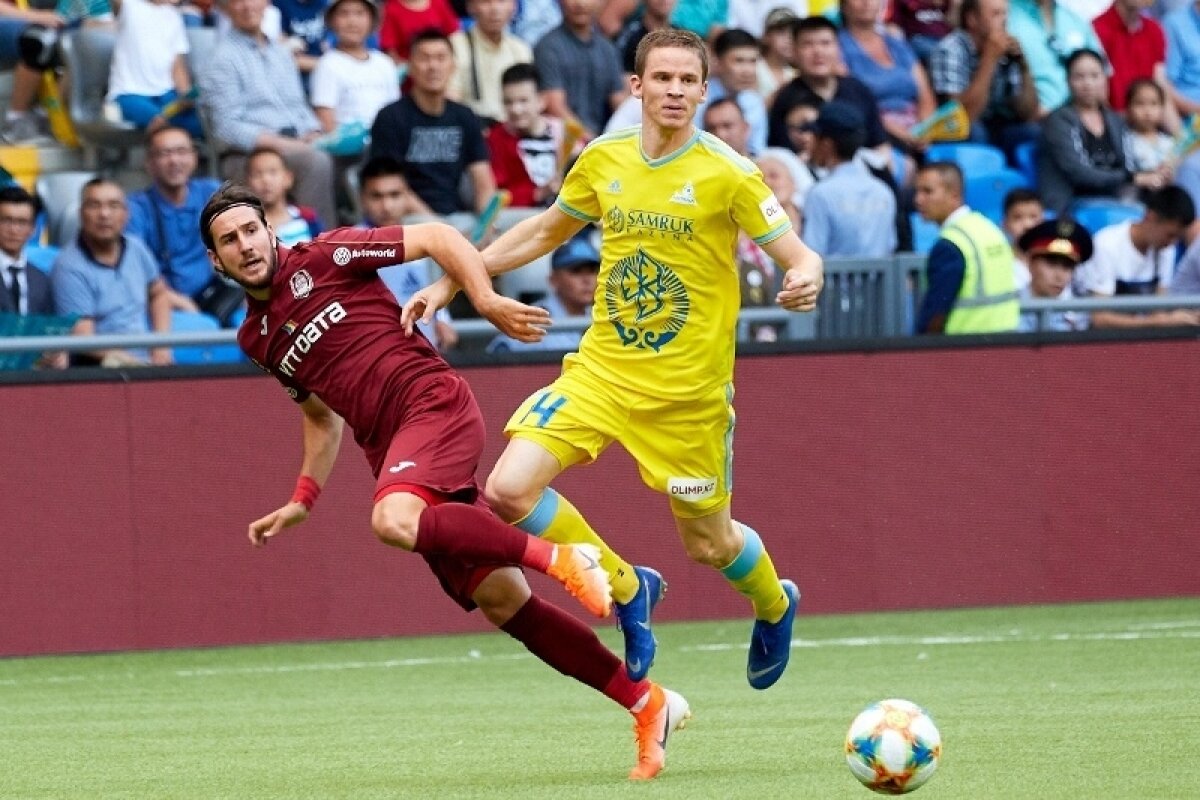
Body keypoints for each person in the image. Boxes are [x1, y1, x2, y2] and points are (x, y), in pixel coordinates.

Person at [200, 181, 689, 782]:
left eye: (251, 230)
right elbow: (319, 417)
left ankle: (566, 557)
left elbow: (436, 237)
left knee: (392, 521)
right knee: (502, 601)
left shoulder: (328, 255)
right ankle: (647, 704)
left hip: (432, 404)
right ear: (215, 259)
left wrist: (482, 297)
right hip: (395, 455)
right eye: (230, 239)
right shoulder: (257, 338)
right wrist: (303, 498)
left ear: (271, 231)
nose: (245, 245)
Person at [404, 28, 824, 692]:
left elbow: (798, 253)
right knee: (509, 490)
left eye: (689, 81)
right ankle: (629, 588)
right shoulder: (603, 159)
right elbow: (543, 231)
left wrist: (807, 275)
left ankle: (775, 604)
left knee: (710, 546)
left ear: (705, 90)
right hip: (603, 372)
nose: (675, 91)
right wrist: (455, 281)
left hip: (688, 399)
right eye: (663, 79)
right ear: (637, 87)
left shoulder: (730, 173)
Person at [199, 0, 338, 227]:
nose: (247, 6)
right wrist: (284, 144)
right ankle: (322, 246)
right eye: (238, 1)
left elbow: (298, 106)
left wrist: (313, 131)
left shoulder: (280, 53)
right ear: (226, 8)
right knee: (316, 162)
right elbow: (227, 128)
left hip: (295, 143)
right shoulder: (221, 59)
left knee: (339, 152)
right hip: (246, 154)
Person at [369, 29, 496, 220]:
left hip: (459, 217)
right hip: (410, 219)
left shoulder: (465, 116)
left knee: (527, 224)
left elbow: (483, 183)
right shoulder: (390, 117)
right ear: (410, 66)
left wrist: (486, 227)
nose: (433, 66)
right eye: (424, 58)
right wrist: (440, 231)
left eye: (441, 58)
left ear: (453, 66)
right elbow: (392, 187)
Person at [52, 178, 174, 366]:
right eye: (94, 205)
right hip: (101, 367)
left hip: (147, 360)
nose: (104, 214)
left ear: (126, 214)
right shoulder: (68, 266)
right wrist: (138, 365)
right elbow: (84, 339)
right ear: (81, 213)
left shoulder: (137, 248)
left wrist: (161, 346)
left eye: (113, 205)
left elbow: (158, 293)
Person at [1037, 49, 1166, 214]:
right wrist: (1132, 178)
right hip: (1072, 204)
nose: (1088, 83)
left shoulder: (1115, 120)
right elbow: (1080, 173)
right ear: (1068, 80)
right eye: (1079, 77)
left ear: (1104, 79)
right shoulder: (1059, 121)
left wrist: (1155, 174)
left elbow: (1128, 164)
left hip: (1116, 199)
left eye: (1094, 76)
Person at [355, 155, 455, 351]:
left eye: (394, 195)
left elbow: (436, 286)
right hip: (372, 356)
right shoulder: (348, 245)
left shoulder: (426, 239)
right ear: (362, 198)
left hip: (426, 355)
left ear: (407, 196)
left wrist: (443, 320)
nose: (387, 206)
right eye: (377, 196)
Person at [126, 126, 224, 315]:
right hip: (161, 302)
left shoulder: (211, 192)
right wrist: (176, 301)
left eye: (182, 152)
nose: (174, 161)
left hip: (214, 294)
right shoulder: (136, 208)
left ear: (194, 158)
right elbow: (133, 269)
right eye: (165, 154)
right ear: (149, 163)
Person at [914, 161, 1020, 334]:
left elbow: (935, 316)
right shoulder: (990, 229)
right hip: (1006, 344)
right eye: (917, 191)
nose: (918, 200)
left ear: (954, 195)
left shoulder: (951, 244)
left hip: (962, 349)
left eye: (928, 191)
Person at [1073, 184, 1200, 327]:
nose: (1172, 243)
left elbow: (1157, 310)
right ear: (1150, 217)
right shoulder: (1106, 245)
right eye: (1170, 235)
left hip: (1140, 337)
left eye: (1177, 238)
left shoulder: (1166, 250)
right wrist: (1160, 322)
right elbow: (1100, 319)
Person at [929, 0, 1039, 153]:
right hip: (958, 131)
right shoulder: (950, 50)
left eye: (1005, 13)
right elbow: (962, 117)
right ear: (972, 19)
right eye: (996, 14)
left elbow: (1027, 113)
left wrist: (1024, 66)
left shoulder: (1004, 50)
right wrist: (989, 59)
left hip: (997, 124)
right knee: (977, 131)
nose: (1004, 20)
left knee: (1033, 132)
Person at [801, 101, 897, 259]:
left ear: (826, 144)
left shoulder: (821, 194)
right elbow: (890, 246)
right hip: (882, 283)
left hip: (834, 282)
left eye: (815, 138)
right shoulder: (883, 191)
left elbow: (812, 253)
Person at [487, 227, 598, 352]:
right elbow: (499, 352)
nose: (587, 280)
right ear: (554, 280)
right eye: (576, 272)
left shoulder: (602, 316)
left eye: (592, 271)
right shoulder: (534, 317)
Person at [106, 0, 202, 139]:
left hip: (167, 94)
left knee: (200, 124)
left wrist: (186, 96)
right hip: (129, 94)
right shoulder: (129, 5)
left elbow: (177, 67)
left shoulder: (174, 17)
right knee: (161, 123)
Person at [533, 0, 627, 139]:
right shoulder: (548, 47)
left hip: (603, 140)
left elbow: (620, 105)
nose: (580, 4)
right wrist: (590, 141)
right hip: (563, 141)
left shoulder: (607, 49)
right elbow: (554, 107)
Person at [309, 0, 398, 138]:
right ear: (333, 21)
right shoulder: (328, 64)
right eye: (344, 14)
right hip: (349, 149)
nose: (352, 22)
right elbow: (325, 118)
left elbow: (395, 110)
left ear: (371, 20)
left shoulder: (384, 63)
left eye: (360, 13)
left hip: (387, 142)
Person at [487, 62, 564, 208]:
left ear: (541, 100)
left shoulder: (565, 134)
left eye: (523, 101)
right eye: (508, 102)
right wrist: (538, 193)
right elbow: (496, 194)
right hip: (522, 218)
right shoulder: (496, 139)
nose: (516, 109)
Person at [448, 0, 532, 123]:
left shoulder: (521, 49)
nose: (494, 9)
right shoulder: (455, 46)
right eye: (486, 2)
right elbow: (450, 103)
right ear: (471, 6)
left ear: (514, 6)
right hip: (472, 130)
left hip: (514, 130)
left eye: (501, 1)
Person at [698, 28, 768, 156]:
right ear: (718, 62)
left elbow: (757, 151)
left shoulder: (754, 101)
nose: (748, 70)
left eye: (753, 61)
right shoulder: (698, 99)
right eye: (739, 61)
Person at [1016, 218, 1092, 331]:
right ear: (1030, 262)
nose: (1059, 276)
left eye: (1067, 267)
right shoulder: (1008, 306)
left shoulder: (1078, 314)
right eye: (1051, 264)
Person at [245, 147, 324, 247]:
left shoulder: (307, 218)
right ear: (248, 183)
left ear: (288, 178)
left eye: (272, 172)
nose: (266, 180)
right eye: (257, 174)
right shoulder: (247, 226)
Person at [0, 185, 54, 317]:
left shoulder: (41, 280)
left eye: (22, 222)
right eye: (6, 221)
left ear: (33, 229)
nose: (14, 230)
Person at [378, 0, 459, 64]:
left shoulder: (439, 2)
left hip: (442, 68)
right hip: (409, 73)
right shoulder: (391, 9)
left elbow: (454, 37)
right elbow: (390, 52)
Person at [1125, 79, 1174, 172]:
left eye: (1154, 104)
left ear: (1162, 109)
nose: (1147, 111)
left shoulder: (1169, 142)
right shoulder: (1127, 142)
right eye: (1140, 104)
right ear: (1129, 109)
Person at [1001, 186, 1045, 289]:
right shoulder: (1000, 262)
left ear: (1043, 221)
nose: (1027, 225)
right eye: (1017, 218)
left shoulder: (1056, 260)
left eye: (1033, 217)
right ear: (1005, 224)